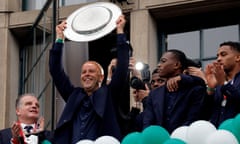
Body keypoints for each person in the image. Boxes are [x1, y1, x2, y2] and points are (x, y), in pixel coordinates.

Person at [49, 15, 131, 143]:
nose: (86, 74)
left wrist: (120, 32)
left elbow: (122, 69)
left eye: (91, 71)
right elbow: (56, 71)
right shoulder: (73, 95)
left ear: (101, 77)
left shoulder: (109, 94)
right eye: (83, 72)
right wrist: (59, 39)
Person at [143, 49, 206, 133]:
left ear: (176, 65)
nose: (158, 65)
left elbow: (192, 120)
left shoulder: (195, 90)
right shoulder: (154, 94)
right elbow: (147, 122)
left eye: (163, 61)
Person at [205, 41, 240, 127]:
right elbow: (204, 113)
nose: (218, 59)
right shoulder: (218, 81)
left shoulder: (221, 81)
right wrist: (210, 89)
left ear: (238, 57)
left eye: (223, 54)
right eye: (218, 56)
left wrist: (223, 84)